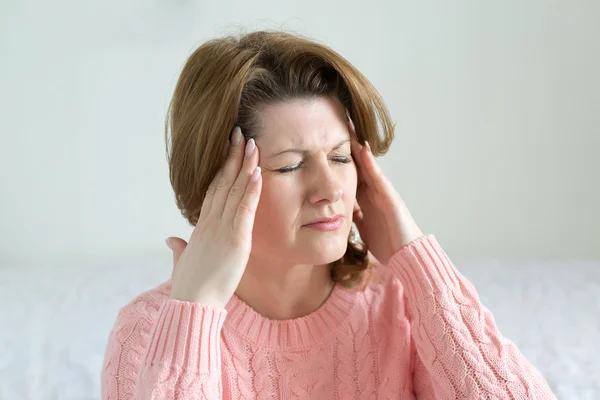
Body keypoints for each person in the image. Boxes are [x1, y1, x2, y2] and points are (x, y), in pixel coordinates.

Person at [101, 30, 556, 399]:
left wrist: (416, 260)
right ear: (216, 185)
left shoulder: (399, 302)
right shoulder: (148, 332)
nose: (329, 190)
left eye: (340, 158)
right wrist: (195, 311)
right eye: (291, 165)